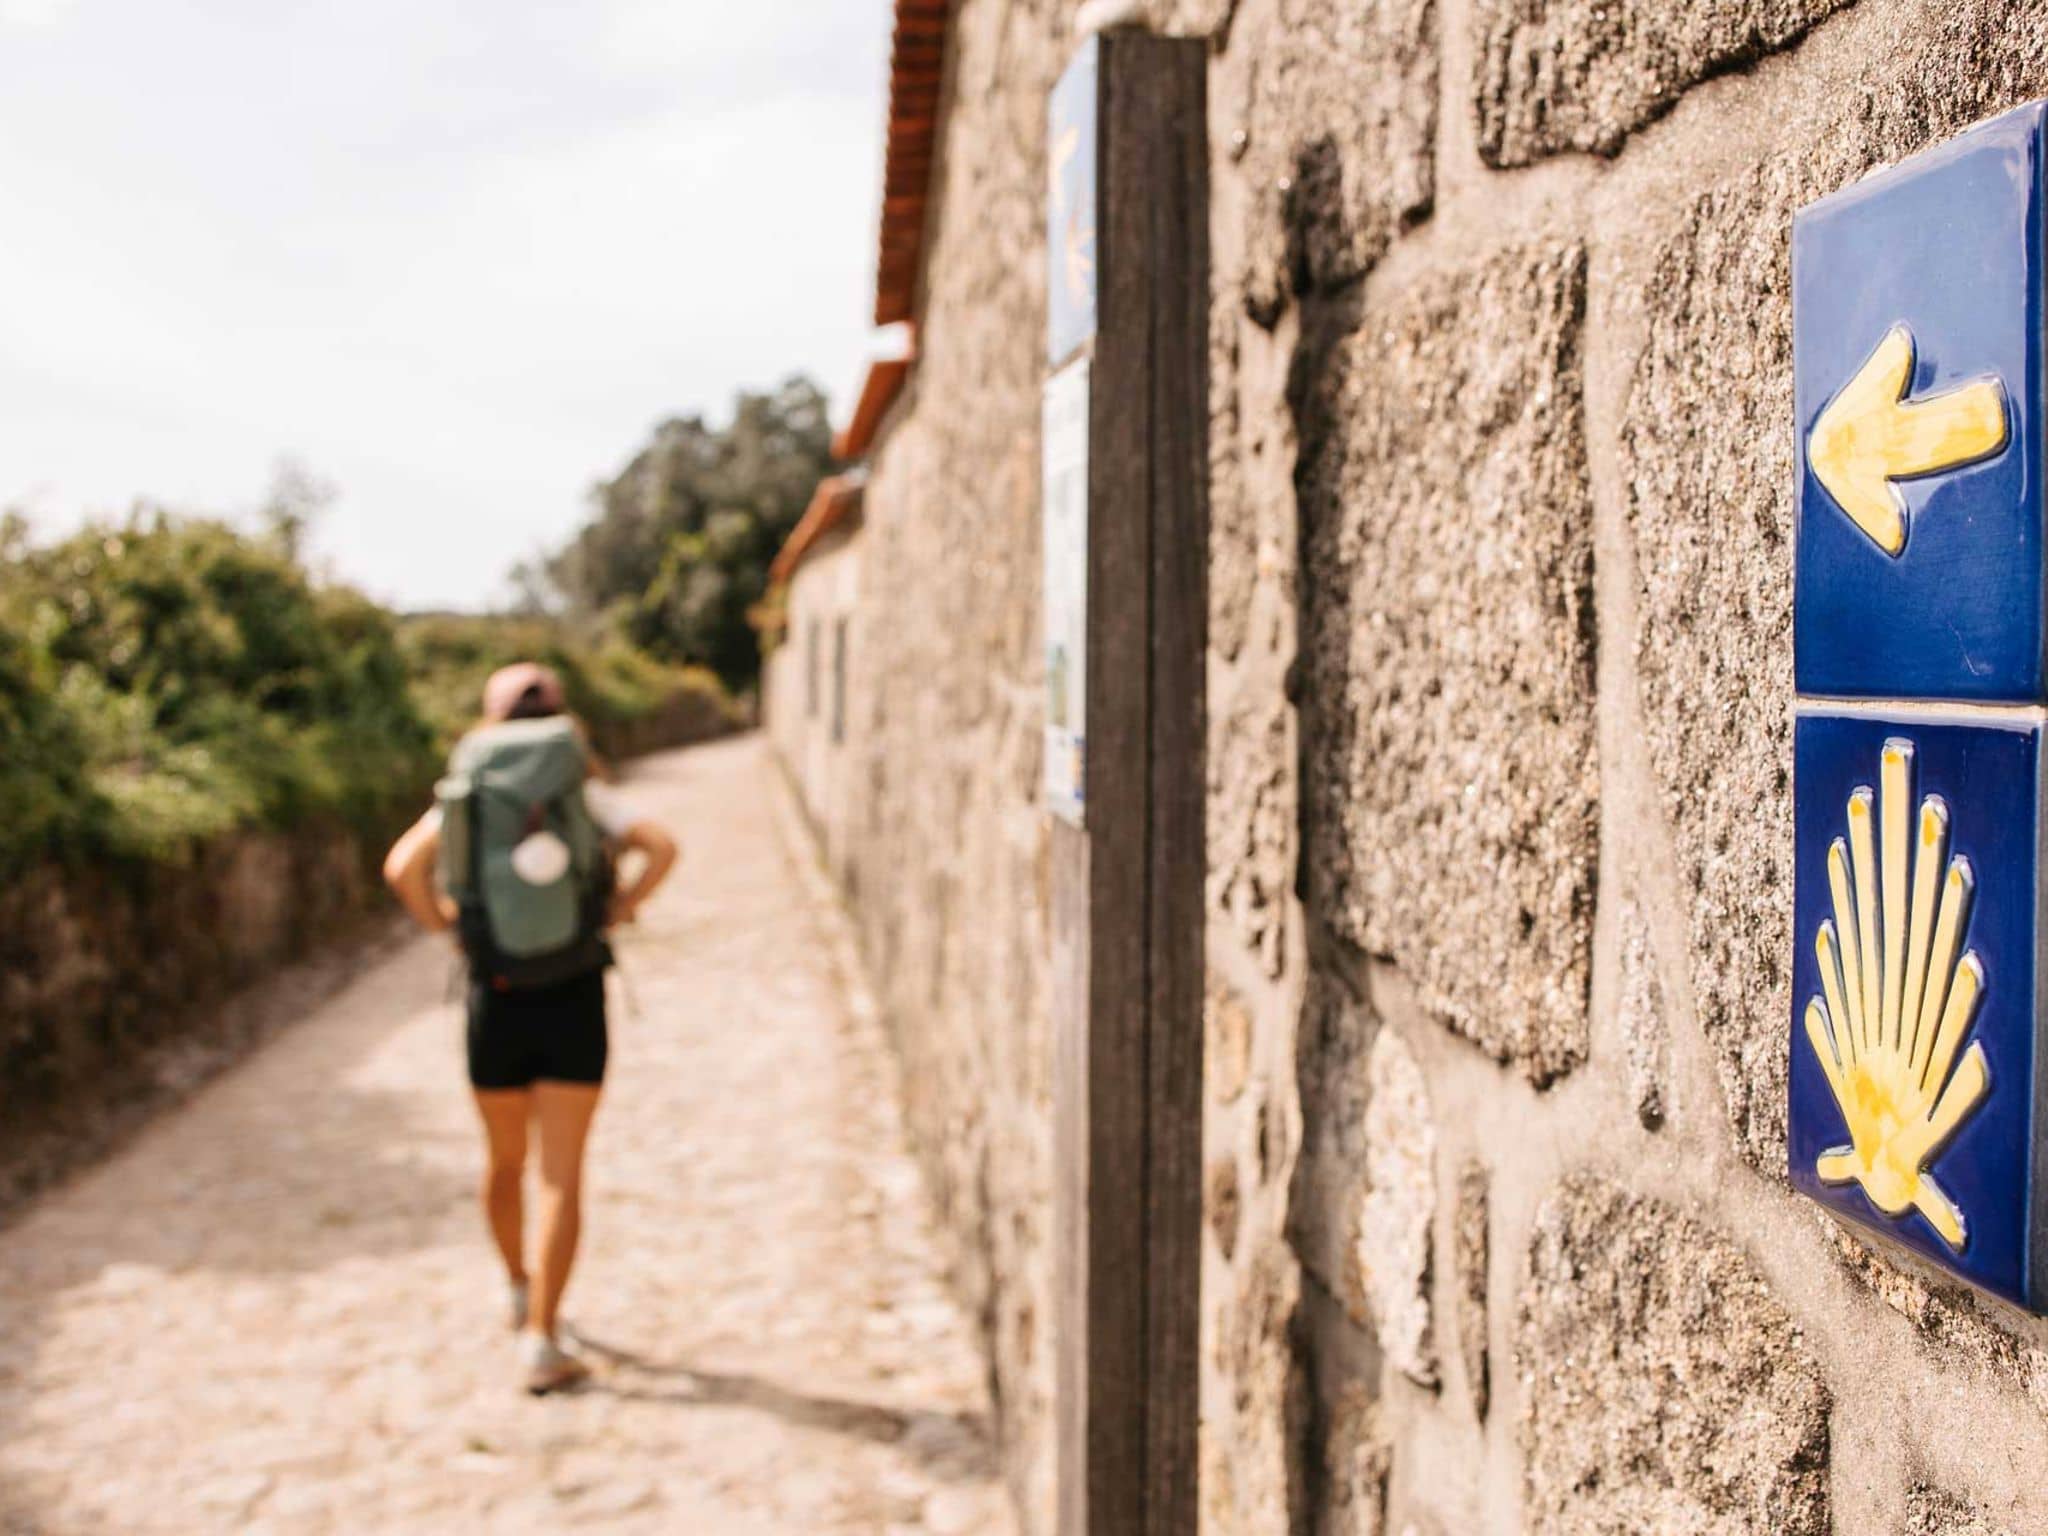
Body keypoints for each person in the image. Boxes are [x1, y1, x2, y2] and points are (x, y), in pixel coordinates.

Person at [382, 662, 678, 1393]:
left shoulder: (472, 786)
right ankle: (545, 1337)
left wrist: (451, 931)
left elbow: (402, 869)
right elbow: (663, 846)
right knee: (561, 1174)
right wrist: (620, 908)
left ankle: (518, 1286)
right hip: (573, 993)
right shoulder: (579, 783)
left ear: (489, 717)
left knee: (503, 1161)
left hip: (497, 994)